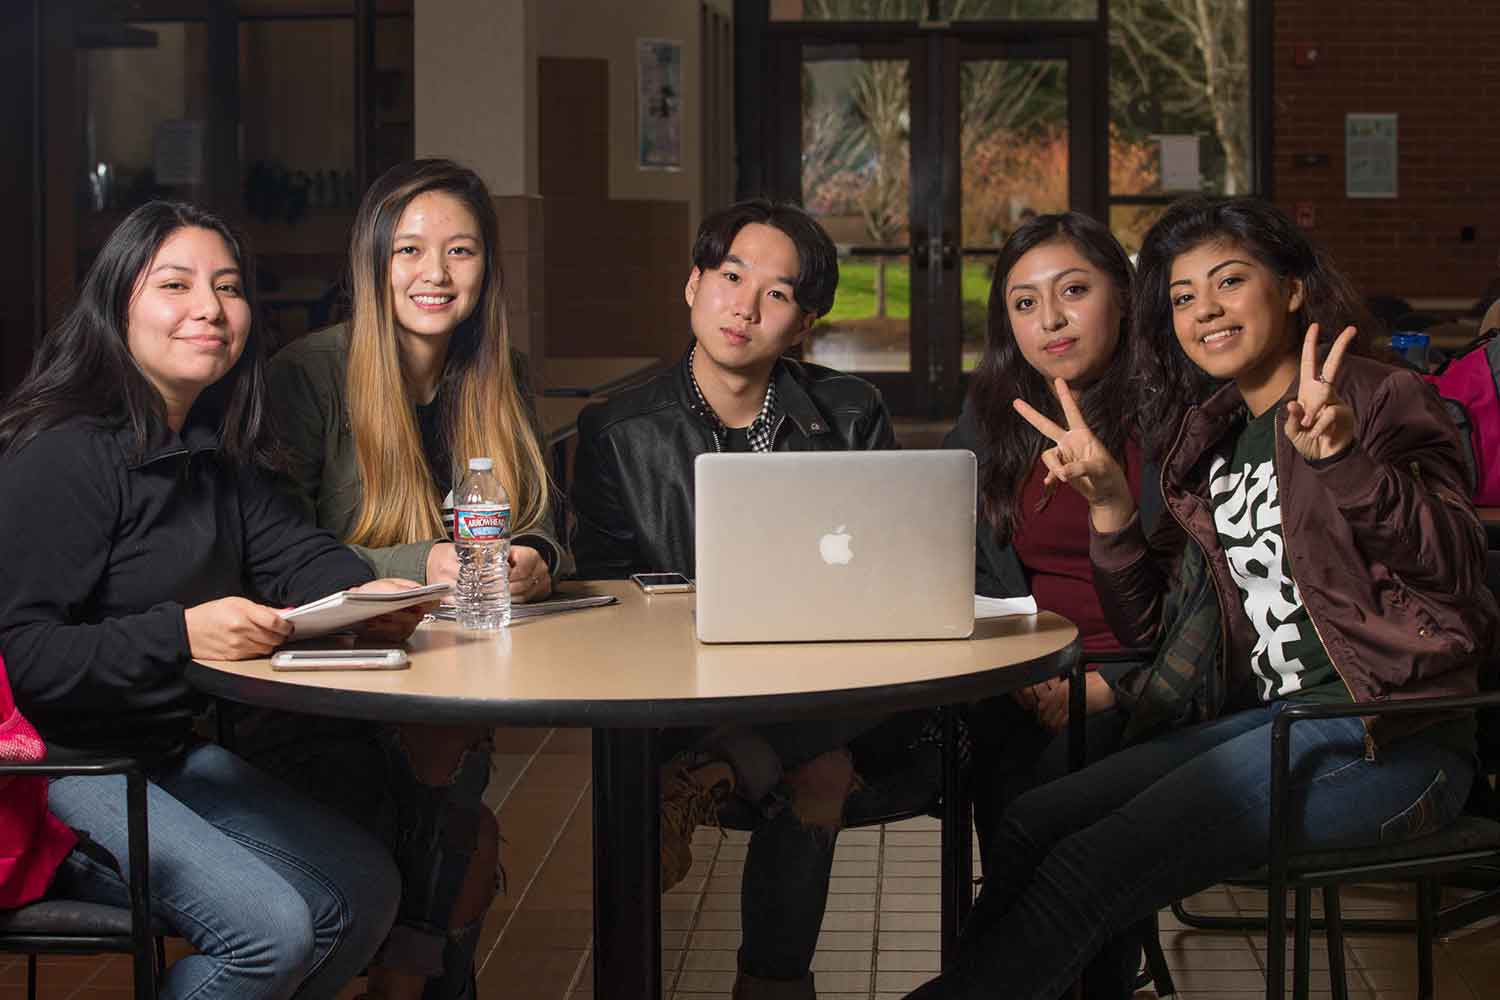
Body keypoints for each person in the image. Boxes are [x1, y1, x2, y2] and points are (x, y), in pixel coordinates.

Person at [907, 197, 1498, 999]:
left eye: (1229, 282)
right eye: (1184, 296)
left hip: (1387, 739)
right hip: (1269, 723)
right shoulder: (1213, 439)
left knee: (1092, 860)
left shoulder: (1380, 397)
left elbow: (1460, 567)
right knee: (1032, 821)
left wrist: (1343, 463)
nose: (1206, 310)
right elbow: (1155, 625)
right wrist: (1114, 511)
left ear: (1291, 289)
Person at [0, 201, 409, 1000]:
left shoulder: (215, 453)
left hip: (159, 758)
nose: (209, 309)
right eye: (175, 285)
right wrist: (180, 635)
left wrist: (368, 594)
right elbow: (26, 656)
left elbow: (298, 554)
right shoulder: (63, 452)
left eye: (227, 287)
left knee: (364, 893)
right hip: (50, 775)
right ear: (118, 307)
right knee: (272, 933)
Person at [572, 197, 929, 1000]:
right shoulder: (617, 431)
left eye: (778, 293)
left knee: (835, 741)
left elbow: (890, 572)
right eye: (732, 276)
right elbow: (603, 586)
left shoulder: (849, 411)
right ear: (693, 285)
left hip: (829, 678)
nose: (745, 305)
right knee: (820, 766)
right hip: (689, 686)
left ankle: (736, 763)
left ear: (803, 323)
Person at [241, 158, 565, 1000]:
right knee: (466, 835)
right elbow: (273, 548)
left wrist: (533, 558)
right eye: (410, 250)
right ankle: (409, 977)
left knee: (458, 796)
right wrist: (421, 563)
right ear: (374, 262)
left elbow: (538, 519)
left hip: (455, 677)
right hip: (319, 695)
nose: (435, 274)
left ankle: (407, 976)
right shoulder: (308, 376)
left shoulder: (506, 375)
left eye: (459, 251)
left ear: (486, 267)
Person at [943, 212, 1184, 998]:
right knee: (993, 751)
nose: (1048, 320)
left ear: (1123, 295)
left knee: (1049, 792)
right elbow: (958, 551)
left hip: (1147, 672)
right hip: (1031, 666)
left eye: (1073, 291)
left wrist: (1113, 678)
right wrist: (1018, 664)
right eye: (1023, 303)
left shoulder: (1182, 408)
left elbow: (1209, 589)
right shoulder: (994, 412)